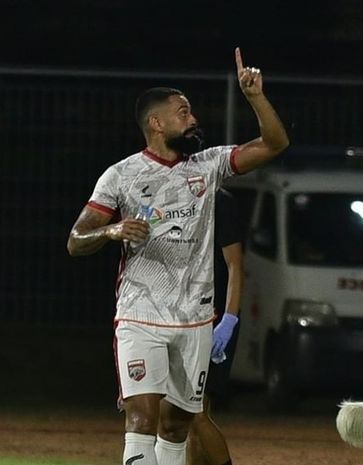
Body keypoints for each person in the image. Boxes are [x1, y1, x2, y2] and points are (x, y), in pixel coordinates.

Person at [66, 47, 289, 465]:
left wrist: (256, 97)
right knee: (142, 417)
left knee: (177, 425)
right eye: (183, 113)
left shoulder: (208, 165)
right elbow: (76, 239)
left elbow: (276, 144)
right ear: (156, 123)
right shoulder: (121, 175)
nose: (193, 120)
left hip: (194, 318)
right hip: (140, 314)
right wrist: (113, 229)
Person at [187, 187, 244, 465]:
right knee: (187, 417)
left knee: (192, 412)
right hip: (182, 317)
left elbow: (235, 265)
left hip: (211, 318)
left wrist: (229, 319)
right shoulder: (170, 193)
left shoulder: (220, 200)